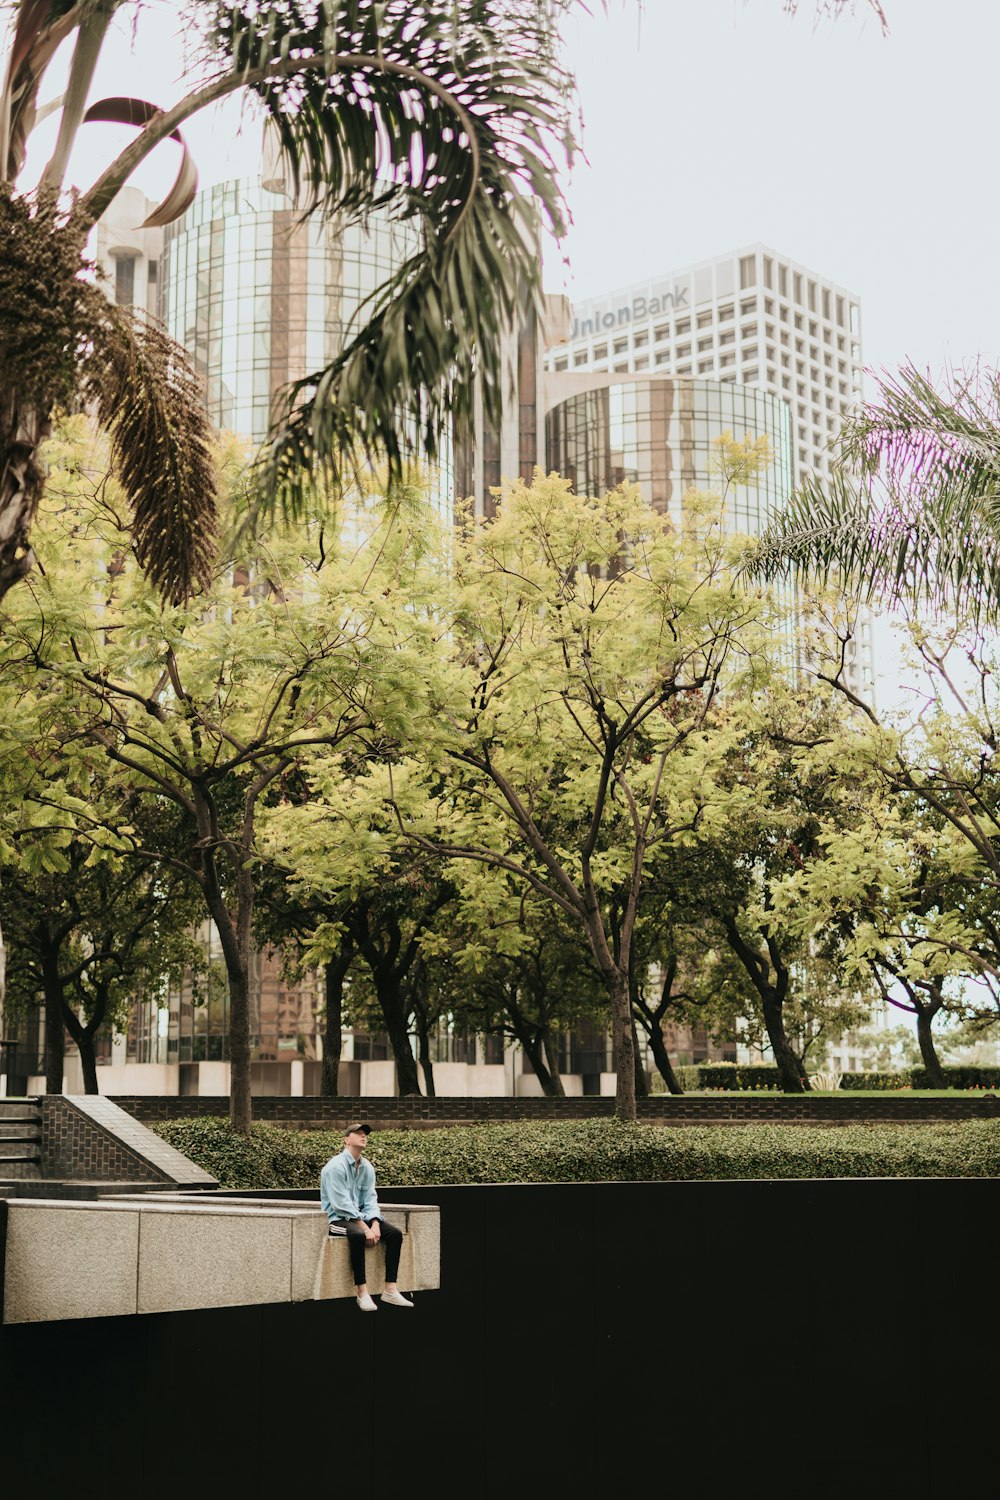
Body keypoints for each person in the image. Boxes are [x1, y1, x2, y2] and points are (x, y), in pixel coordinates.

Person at [319, 1121, 414, 1312]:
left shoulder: (367, 1167)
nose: (363, 1136)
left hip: (361, 1217)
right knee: (357, 1235)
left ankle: (390, 1289)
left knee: (394, 1234)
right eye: (358, 1133)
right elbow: (341, 1205)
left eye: (365, 1134)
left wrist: (375, 1224)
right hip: (336, 1219)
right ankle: (362, 1291)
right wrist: (365, 1228)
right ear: (347, 1140)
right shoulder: (335, 1167)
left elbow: (371, 1199)